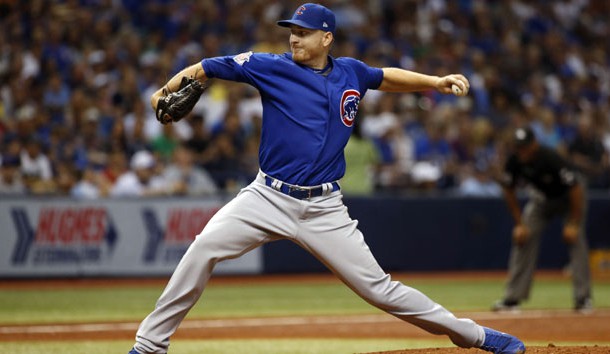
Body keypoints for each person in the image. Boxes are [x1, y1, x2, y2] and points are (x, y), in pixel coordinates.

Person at [129, 4, 525, 354]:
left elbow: (385, 76)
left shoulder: (351, 71)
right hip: (266, 196)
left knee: (379, 289)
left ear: (326, 38)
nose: (294, 38)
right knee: (203, 249)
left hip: (323, 208)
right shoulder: (270, 66)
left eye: (303, 32)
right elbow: (207, 67)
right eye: (292, 31)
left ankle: (473, 336)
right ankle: (148, 346)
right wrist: (163, 91)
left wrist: (434, 82)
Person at [492, 126, 592, 313]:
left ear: (534, 144)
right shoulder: (514, 160)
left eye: (525, 147)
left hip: (569, 199)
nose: (521, 151)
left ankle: (583, 298)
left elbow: (576, 189)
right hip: (542, 199)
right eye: (518, 147)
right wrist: (519, 224)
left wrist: (573, 223)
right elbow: (508, 190)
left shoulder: (550, 158)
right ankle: (512, 298)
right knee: (523, 238)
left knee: (576, 240)